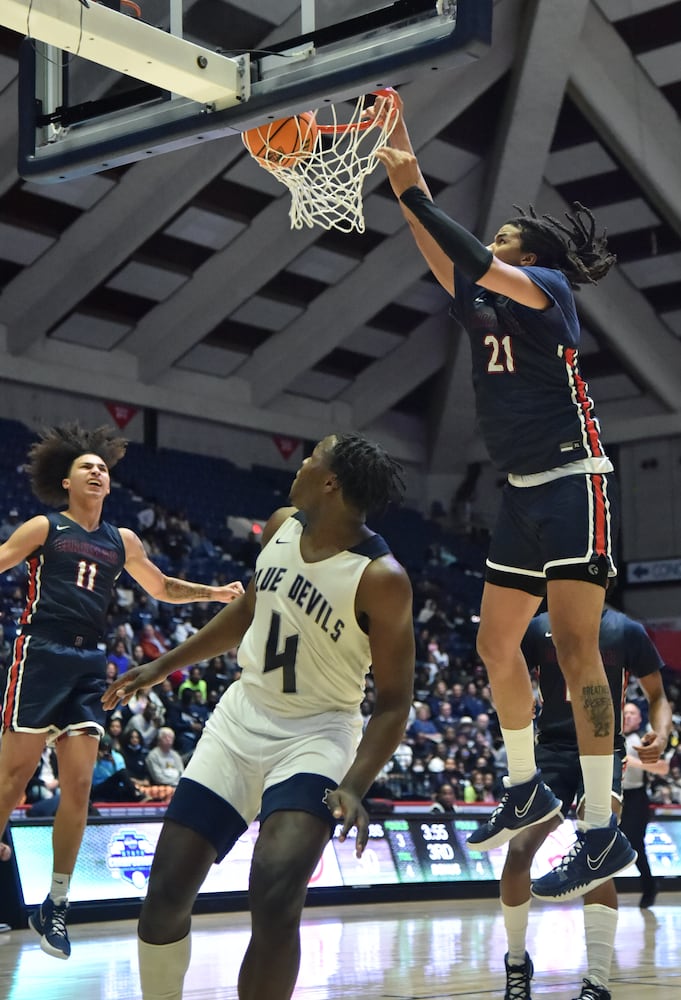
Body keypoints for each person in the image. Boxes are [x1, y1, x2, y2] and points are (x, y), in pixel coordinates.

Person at [374, 92, 634, 898]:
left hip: (572, 481)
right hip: (520, 493)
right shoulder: (484, 301)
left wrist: (419, 192)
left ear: (531, 252)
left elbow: (476, 260)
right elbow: (441, 250)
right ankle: (524, 785)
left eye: (503, 236)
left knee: (573, 649)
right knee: (494, 647)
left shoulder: (547, 287)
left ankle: (600, 829)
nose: (491, 243)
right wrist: (399, 164)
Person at [103, 432, 415, 1000]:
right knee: (167, 889)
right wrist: (161, 666)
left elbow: (395, 703)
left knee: (274, 893)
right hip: (241, 718)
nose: (298, 465)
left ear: (331, 482)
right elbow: (249, 609)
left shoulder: (382, 577)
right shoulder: (279, 525)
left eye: (311, 458)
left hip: (317, 735)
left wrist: (353, 784)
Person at [0, 423, 244, 960]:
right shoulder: (45, 526)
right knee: (14, 775)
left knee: (80, 787)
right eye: (86, 466)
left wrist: (216, 593)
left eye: (103, 468)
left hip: (90, 663)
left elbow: (162, 587)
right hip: (41, 652)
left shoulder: (122, 540)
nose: (97, 471)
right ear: (65, 481)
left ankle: (55, 906)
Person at [499, 607, 671, 1000]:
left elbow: (658, 694)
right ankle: (515, 963)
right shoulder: (538, 627)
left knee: (599, 851)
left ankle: (597, 980)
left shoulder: (626, 629)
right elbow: (504, 671)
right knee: (519, 850)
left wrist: (660, 735)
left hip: (604, 750)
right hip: (552, 750)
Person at [620, 701, 670, 911]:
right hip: (613, 796)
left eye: (633, 713)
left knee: (635, 843)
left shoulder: (643, 741)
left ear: (640, 718)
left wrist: (634, 761)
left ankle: (649, 886)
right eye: (626, 713)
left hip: (635, 797)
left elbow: (663, 767)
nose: (629, 716)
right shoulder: (612, 739)